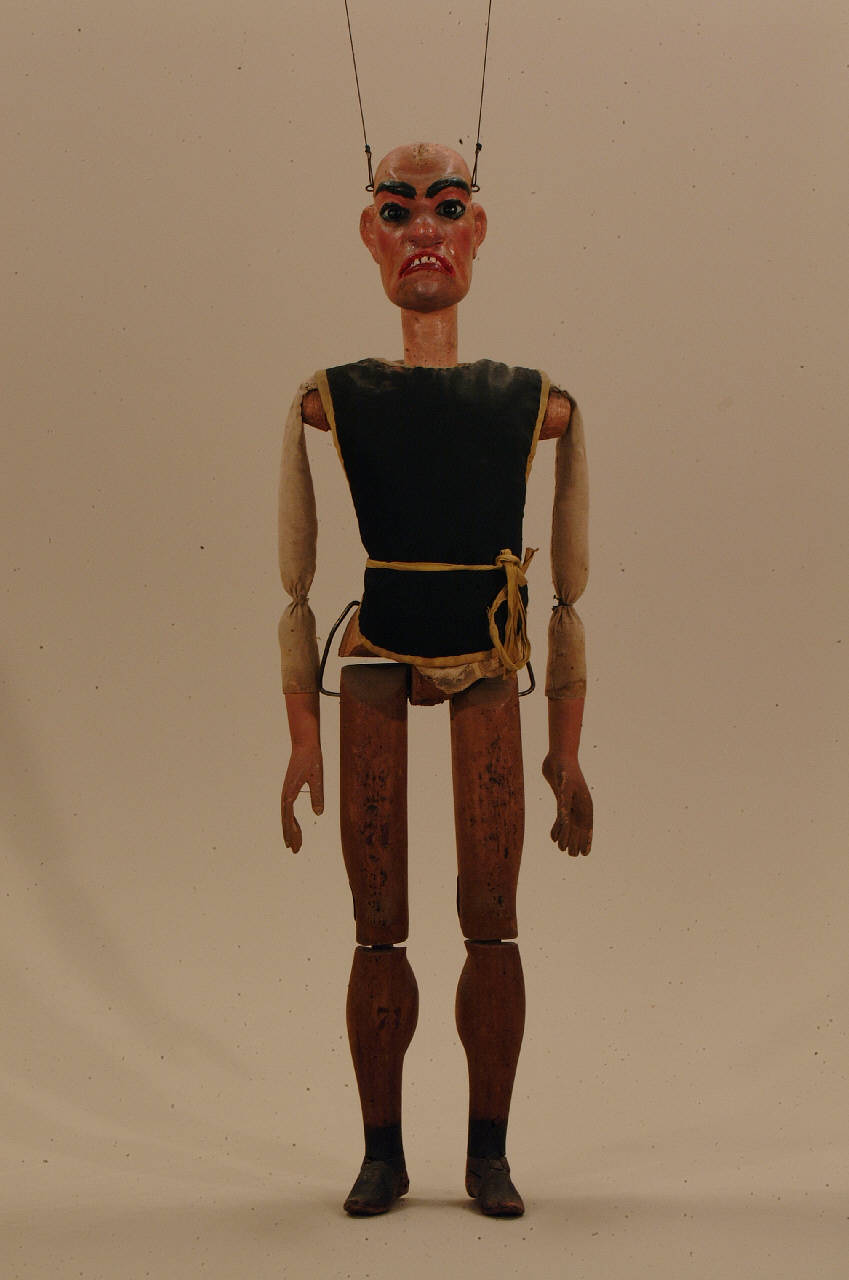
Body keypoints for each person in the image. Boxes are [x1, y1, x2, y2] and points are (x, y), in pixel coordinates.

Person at [277, 142, 592, 1217]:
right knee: (377, 918)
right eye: (398, 210)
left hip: (488, 657)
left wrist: (565, 753)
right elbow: (295, 582)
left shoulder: (533, 403)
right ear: (369, 233)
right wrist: (303, 737)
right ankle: (382, 1151)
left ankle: (487, 1153)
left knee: (492, 915)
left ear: (477, 230)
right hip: (376, 652)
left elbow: (568, 595)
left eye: (447, 207)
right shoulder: (333, 399)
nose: (423, 231)